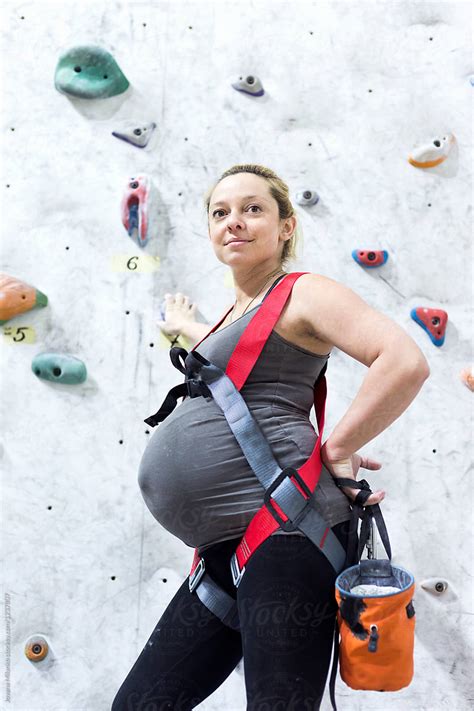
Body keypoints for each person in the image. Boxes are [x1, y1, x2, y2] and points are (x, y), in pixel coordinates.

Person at [111, 164, 430, 710]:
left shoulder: (303, 293)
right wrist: (189, 328)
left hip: (287, 531)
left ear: (286, 226)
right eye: (220, 212)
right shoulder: (237, 314)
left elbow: (403, 360)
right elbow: (243, 369)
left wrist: (337, 449)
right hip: (227, 549)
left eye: (253, 208)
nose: (234, 221)